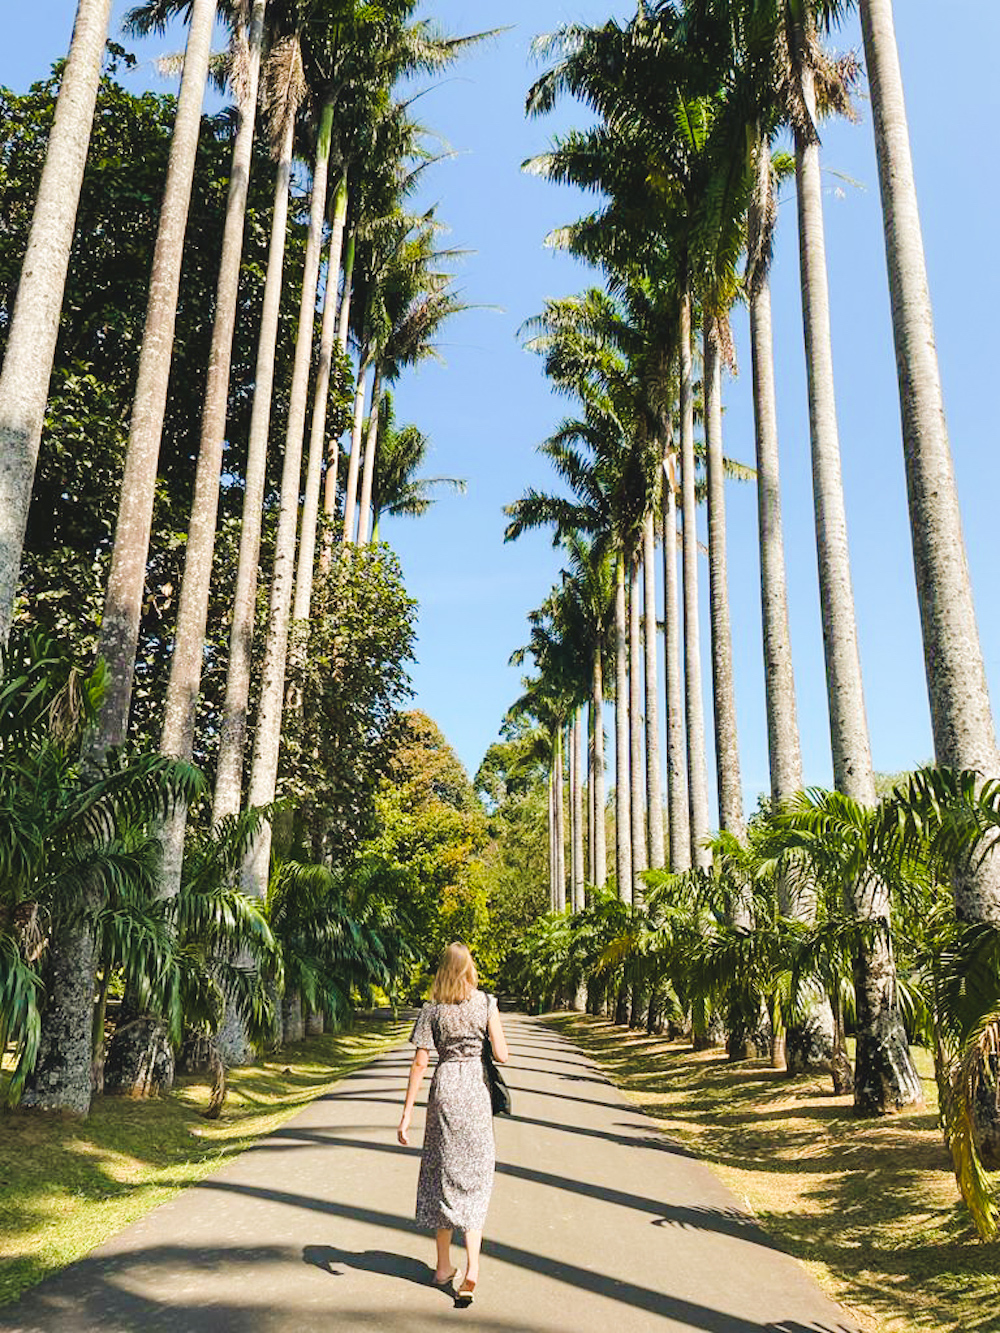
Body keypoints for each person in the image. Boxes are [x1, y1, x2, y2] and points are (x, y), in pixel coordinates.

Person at [397, 942, 509, 1307]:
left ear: (443, 970)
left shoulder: (432, 1010)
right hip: (475, 1092)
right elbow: (502, 1055)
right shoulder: (487, 1003)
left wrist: (406, 1113)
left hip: (444, 1090)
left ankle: (443, 1266)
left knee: (441, 1176)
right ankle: (472, 1268)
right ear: (470, 968)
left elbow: (419, 1062)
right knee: (474, 1178)